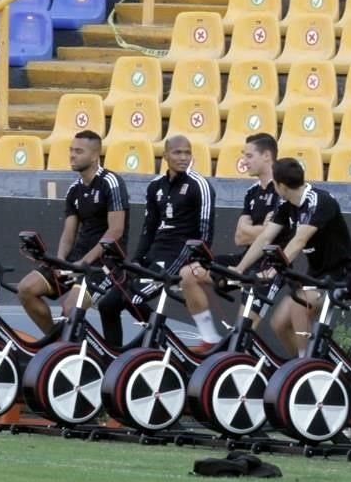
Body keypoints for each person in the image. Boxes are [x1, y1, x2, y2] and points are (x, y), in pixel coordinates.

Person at [232, 157, 351, 358]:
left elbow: (299, 241)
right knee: (279, 323)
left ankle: (306, 363)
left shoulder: (319, 201)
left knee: (300, 304)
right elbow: (265, 237)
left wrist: (275, 269)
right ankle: (300, 365)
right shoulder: (287, 204)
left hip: (342, 276)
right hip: (316, 277)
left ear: (280, 185)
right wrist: (240, 268)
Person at [97, 135, 215, 348]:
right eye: (178, 153)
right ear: (166, 155)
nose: (183, 157)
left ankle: (159, 344)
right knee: (108, 305)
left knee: (133, 300)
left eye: (187, 153)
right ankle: (115, 356)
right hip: (153, 257)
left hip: (180, 257)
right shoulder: (155, 187)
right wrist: (135, 262)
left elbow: (206, 231)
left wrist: (194, 263)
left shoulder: (200, 185)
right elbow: (148, 229)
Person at [17, 130, 129, 335]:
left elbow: (116, 231)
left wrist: (84, 263)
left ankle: (78, 351)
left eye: (79, 151)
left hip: (105, 263)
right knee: (26, 289)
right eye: (71, 150)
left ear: (95, 156)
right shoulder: (73, 190)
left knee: (70, 309)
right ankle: (58, 341)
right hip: (77, 259)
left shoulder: (111, 182)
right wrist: (60, 262)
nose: (72, 155)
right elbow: (68, 234)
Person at [180, 133, 287, 335]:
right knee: (189, 273)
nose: (244, 161)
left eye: (249, 156)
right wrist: (260, 230)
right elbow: (239, 237)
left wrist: (254, 230)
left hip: (270, 264)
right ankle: (209, 337)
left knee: (241, 331)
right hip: (246, 256)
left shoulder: (282, 189)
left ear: (266, 156)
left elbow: (268, 236)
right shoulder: (251, 192)